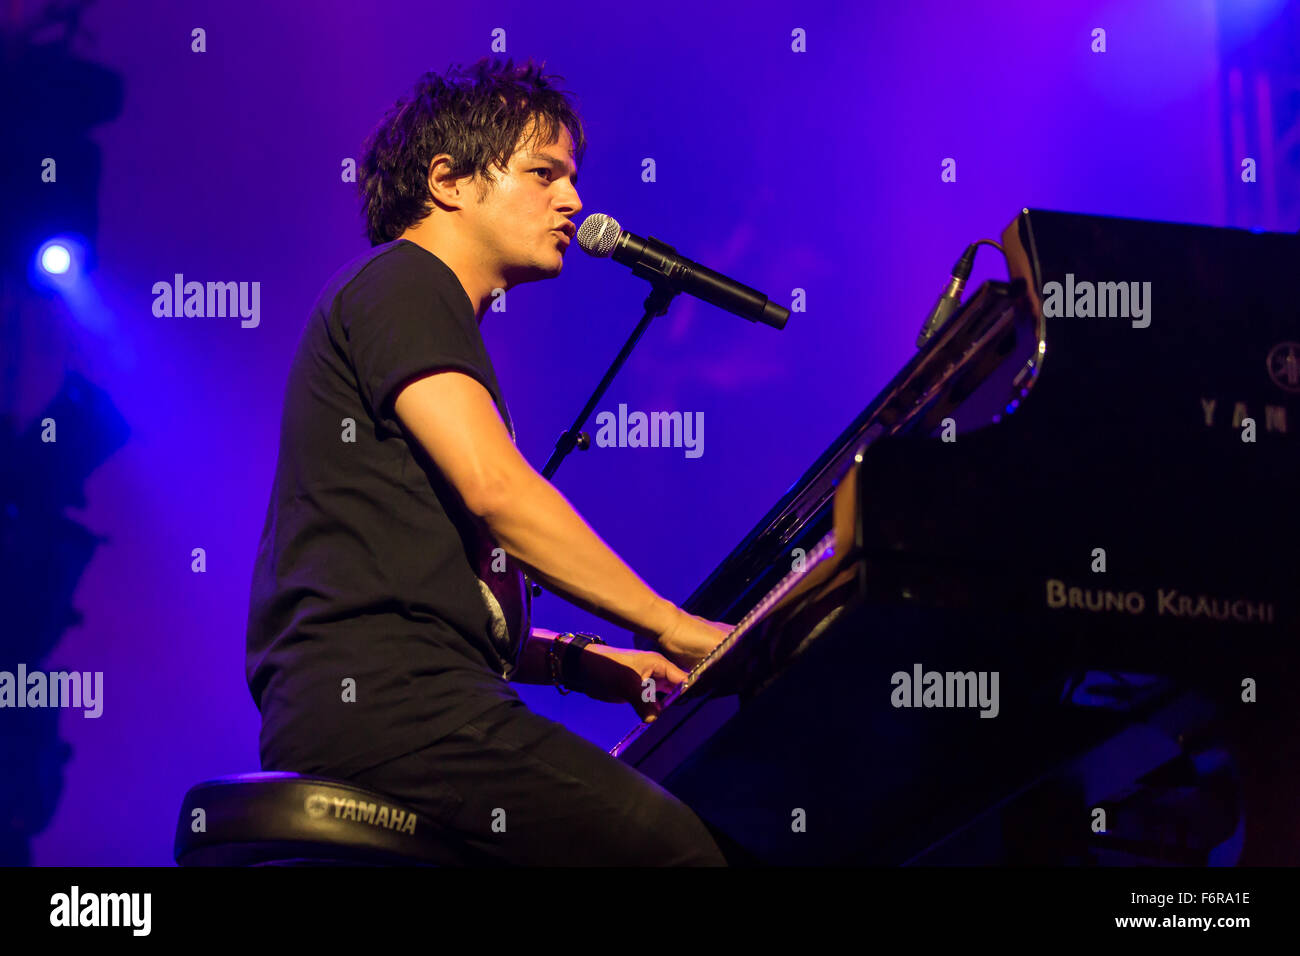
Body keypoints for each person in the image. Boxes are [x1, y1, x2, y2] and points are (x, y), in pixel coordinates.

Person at [244, 57, 733, 865]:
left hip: (367, 706)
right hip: (395, 712)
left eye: (571, 177)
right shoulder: (403, 283)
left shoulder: (408, 308)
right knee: (676, 852)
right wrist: (675, 625)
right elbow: (496, 488)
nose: (574, 200)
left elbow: (416, 592)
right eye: (545, 173)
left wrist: (586, 665)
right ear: (449, 181)